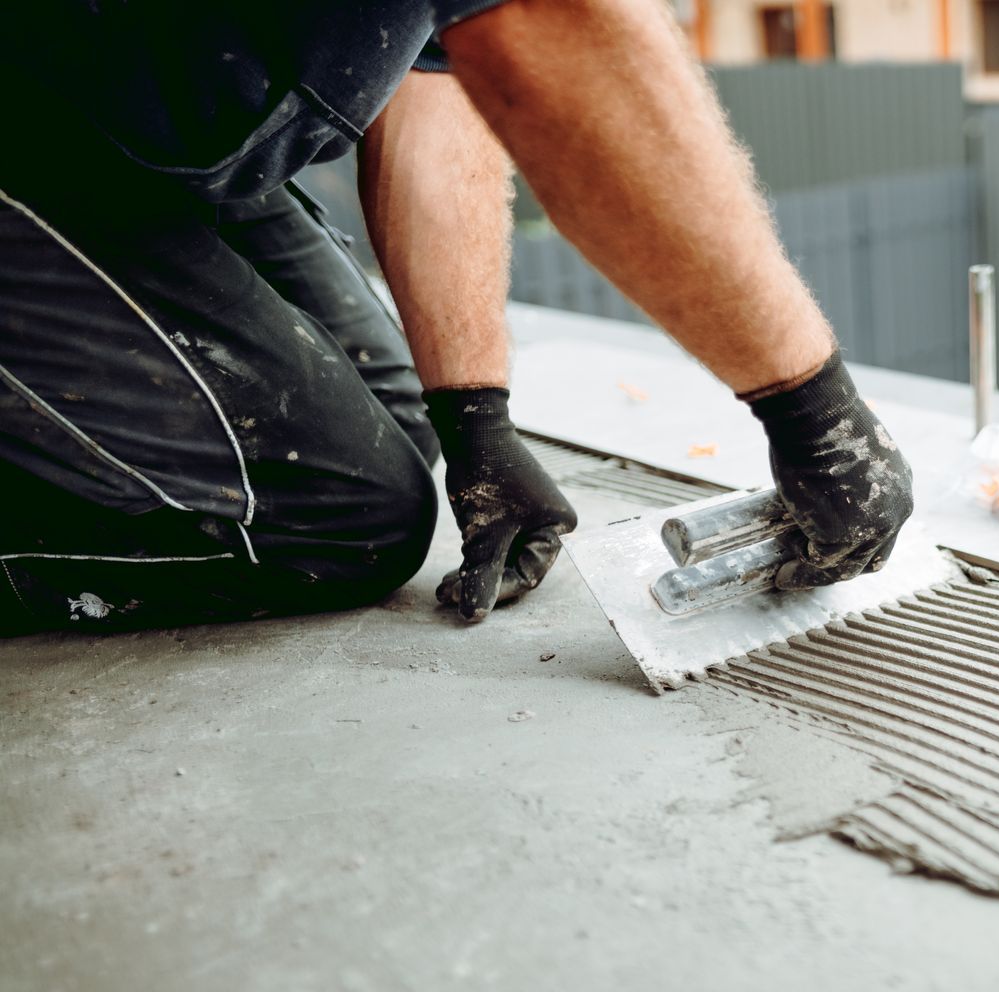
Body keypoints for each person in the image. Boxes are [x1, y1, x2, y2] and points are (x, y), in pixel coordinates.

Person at [0, 0, 915, 634]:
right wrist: (816, 416)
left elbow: (435, 68)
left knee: (405, 417)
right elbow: (557, 49)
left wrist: (475, 417)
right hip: (32, 115)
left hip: (103, 111)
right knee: (339, 521)